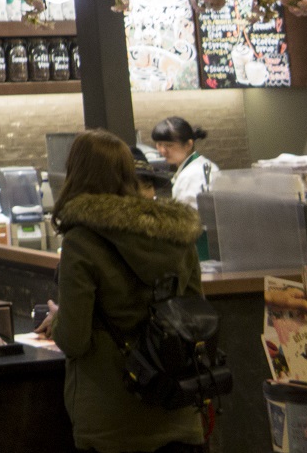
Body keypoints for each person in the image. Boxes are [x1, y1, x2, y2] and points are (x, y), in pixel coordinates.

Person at [52, 129, 206, 453]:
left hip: (112, 422)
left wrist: (56, 319)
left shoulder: (81, 242)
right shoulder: (178, 235)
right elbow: (197, 316)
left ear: (75, 174)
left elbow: (73, 340)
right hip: (178, 411)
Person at [150, 116, 217, 210]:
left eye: (169, 145)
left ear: (188, 145)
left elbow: (192, 215)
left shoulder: (193, 175)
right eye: (159, 144)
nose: (162, 150)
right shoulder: (200, 165)